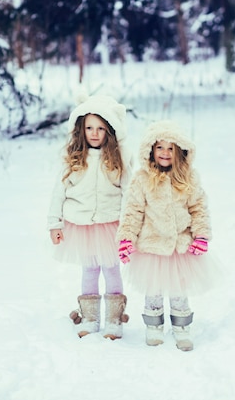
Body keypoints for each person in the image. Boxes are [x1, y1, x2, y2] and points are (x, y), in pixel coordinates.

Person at [116, 120, 218, 351]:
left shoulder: (189, 177)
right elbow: (133, 210)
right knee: (153, 289)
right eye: (159, 147)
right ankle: (153, 326)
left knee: (179, 289)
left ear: (179, 151)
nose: (164, 153)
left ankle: (182, 327)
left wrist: (201, 235)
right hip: (152, 245)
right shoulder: (142, 179)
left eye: (170, 148)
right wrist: (126, 238)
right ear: (150, 150)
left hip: (180, 246)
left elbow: (198, 208)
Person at [47, 94, 132, 340]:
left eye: (100, 128)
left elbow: (128, 193)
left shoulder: (119, 158)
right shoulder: (73, 158)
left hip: (111, 224)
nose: (94, 133)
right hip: (81, 225)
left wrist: (128, 225)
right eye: (89, 128)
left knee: (111, 269)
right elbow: (58, 192)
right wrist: (54, 223)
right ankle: (90, 317)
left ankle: (114, 319)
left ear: (110, 131)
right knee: (90, 269)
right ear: (80, 129)